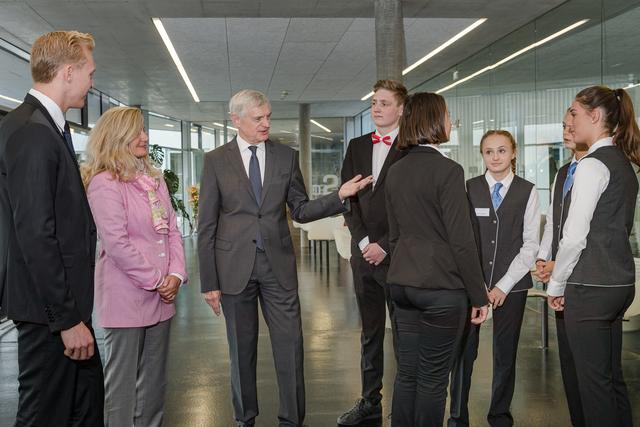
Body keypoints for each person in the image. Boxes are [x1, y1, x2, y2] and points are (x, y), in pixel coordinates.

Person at [197, 89, 372, 427]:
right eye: (258, 118)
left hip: (278, 266)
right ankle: (244, 418)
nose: (266, 123)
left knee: (291, 348)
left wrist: (339, 196)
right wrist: (210, 282)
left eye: (268, 117)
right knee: (240, 351)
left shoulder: (285, 157)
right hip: (233, 268)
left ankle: (292, 421)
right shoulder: (216, 160)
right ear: (236, 120)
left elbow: (301, 210)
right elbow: (206, 224)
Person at [0, 31, 103, 426]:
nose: (92, 82)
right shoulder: (31, 131)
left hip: (65, 310)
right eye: (90, 73)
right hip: (52, 317)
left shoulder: (45, 126)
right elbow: (35, 233)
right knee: (45, 415)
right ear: (69, 71)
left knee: (84, 408)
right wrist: (66, 320)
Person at [385, 92, 489, 427]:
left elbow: (395, 235)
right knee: (432, 380)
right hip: (441, 289)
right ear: (433, 120)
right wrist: (478, 295)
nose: (451, 121)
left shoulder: (396, 171)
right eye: (447, 115)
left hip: (402, 284)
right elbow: (462, 241)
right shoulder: (448, 171)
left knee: (408, 375)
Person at [81, 106, 187, 426]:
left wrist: (176, 275)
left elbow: (172, 231)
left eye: (144, 130)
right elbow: (116, 243)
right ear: (117, 137)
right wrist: (157, 279)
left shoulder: (154, 180)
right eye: (137, 132)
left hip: (161, 297)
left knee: (154, 385)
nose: (145, 137)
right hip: (126, 296)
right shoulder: (104, 183)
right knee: (123, 386)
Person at [547, 85, 640, 427]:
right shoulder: (624, 164)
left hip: (590, 286)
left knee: (593, 387)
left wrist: (556, 285)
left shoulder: (591, 166)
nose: (569, 120)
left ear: (596, 117)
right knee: (611, 379)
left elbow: (573, 237)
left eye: (574, 113)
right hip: (618, 284)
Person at [448, 130, 540, 427]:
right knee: (464, 353)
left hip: (512, 287)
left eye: (502, 150)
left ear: (513, 152)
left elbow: (530, 245)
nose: (496, 157)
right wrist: (476, 283)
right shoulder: (468, 188)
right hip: (471, 284)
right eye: (489, 152)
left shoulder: (528, 190)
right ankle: (457, 416)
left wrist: (503, 284)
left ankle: (500, 415)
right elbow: (460, 239)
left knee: (505, 353)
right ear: (482, 155)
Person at [338, 79, 407, 425]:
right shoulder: (356, 146)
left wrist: (386, 246)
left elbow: (413, 209)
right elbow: (348, 199)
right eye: (374, 103)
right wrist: (366, 244)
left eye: (383, 103)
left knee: (404, 331)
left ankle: (405, 404)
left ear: (400, 109)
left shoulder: (411, 148)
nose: (376, 108)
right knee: (370, 332)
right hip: (364, 255)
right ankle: (370, 401)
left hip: (399, 257)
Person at [533, 110, 588, 427]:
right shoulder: (563, 171)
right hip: (557, 272)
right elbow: (553, 223)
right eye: (563, 127)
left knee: (586, 364)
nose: (567, 132)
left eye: (572, 126)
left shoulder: (593, 171)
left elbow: (580, 234)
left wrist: (558, 268)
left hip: (580, 275)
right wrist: (543, 260)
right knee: (568, 360)